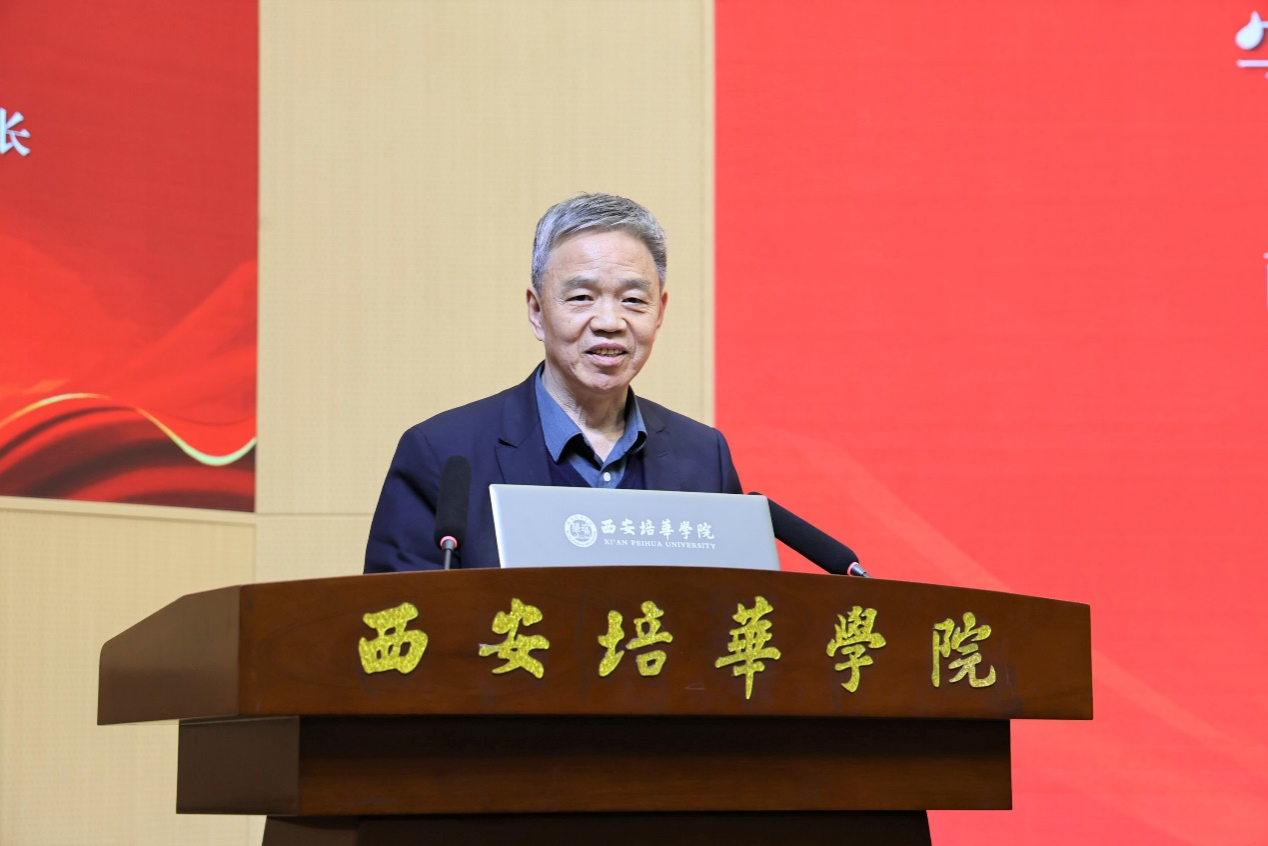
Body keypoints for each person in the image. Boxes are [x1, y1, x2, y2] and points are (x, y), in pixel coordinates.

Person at [364, 193, 742, 572]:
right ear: (537, 311)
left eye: (632, 300)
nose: (609, 322)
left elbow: (741, 600)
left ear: (659, 314)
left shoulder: (704, 455)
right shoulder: (443, 452)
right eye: (582, 297)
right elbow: (401, 605)